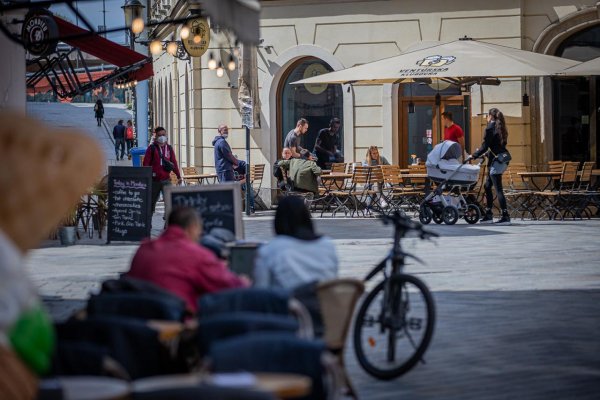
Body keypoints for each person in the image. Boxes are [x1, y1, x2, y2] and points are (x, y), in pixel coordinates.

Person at [127, 207, 250, 312]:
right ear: (192, 228)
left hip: (140, 320)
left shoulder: (143, 249)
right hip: (178, 322)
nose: (199, 234)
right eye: (199, 230)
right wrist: (242, 281)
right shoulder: (195, 254)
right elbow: (229, 285)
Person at [254, 196, 338, 289]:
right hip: (323, 301)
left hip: (288, 301)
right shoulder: (327, 245)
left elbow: (261, 287)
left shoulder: (271, 249)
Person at [472, 107, 510, 225]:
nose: (486, 118)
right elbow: (498, 146)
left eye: (487, 116)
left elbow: (485, 145)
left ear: (491, 116)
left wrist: (474, 155)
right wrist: (487, 153)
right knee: (487, 186)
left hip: (496, 162)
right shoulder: (501, 128)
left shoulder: (490, 127)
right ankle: (488, 215)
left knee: (498, 188)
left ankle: (505, 216)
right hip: (501, 159)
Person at [143, 127, 182, 214]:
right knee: (151, 203)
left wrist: (178, 176)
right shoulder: (151, 148)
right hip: (154, 181)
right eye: (160, 135)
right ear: (156, 136)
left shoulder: (169, 148)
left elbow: (174, 163)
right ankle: (148, 223)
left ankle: (167, 223)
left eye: (163, 135)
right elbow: (146, 164)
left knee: (169, 202)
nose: (162, 137)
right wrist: (146, 178)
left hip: (166, 180)